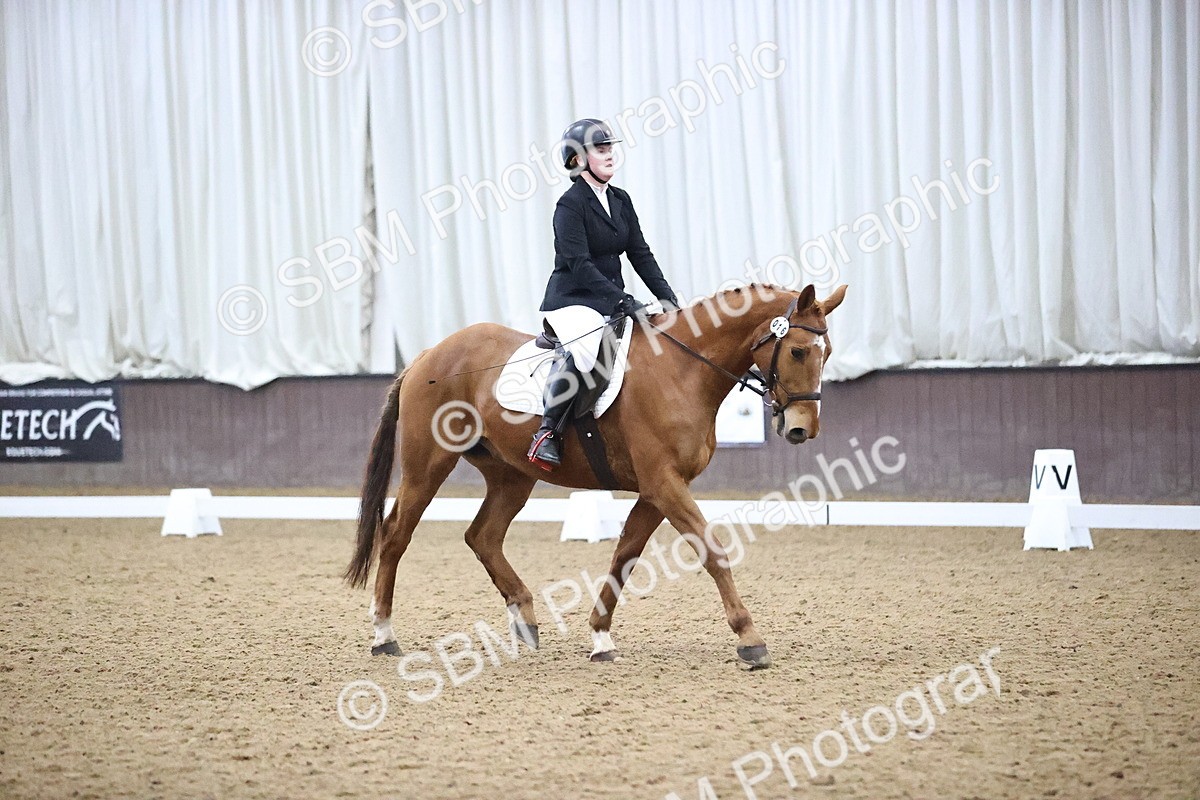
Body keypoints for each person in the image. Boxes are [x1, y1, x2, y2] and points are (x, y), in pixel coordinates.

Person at [527, 118, 681, 471]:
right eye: (600, 149)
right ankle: (547, 432)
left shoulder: (620, 200)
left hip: (609, 299)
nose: (610, 154)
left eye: (610, 147)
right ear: (578, 159)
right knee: (587, 348)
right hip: (572, 300)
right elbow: (579, 265)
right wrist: (623, 301)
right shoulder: (569, 206)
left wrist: (669, 300)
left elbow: (640, 254)